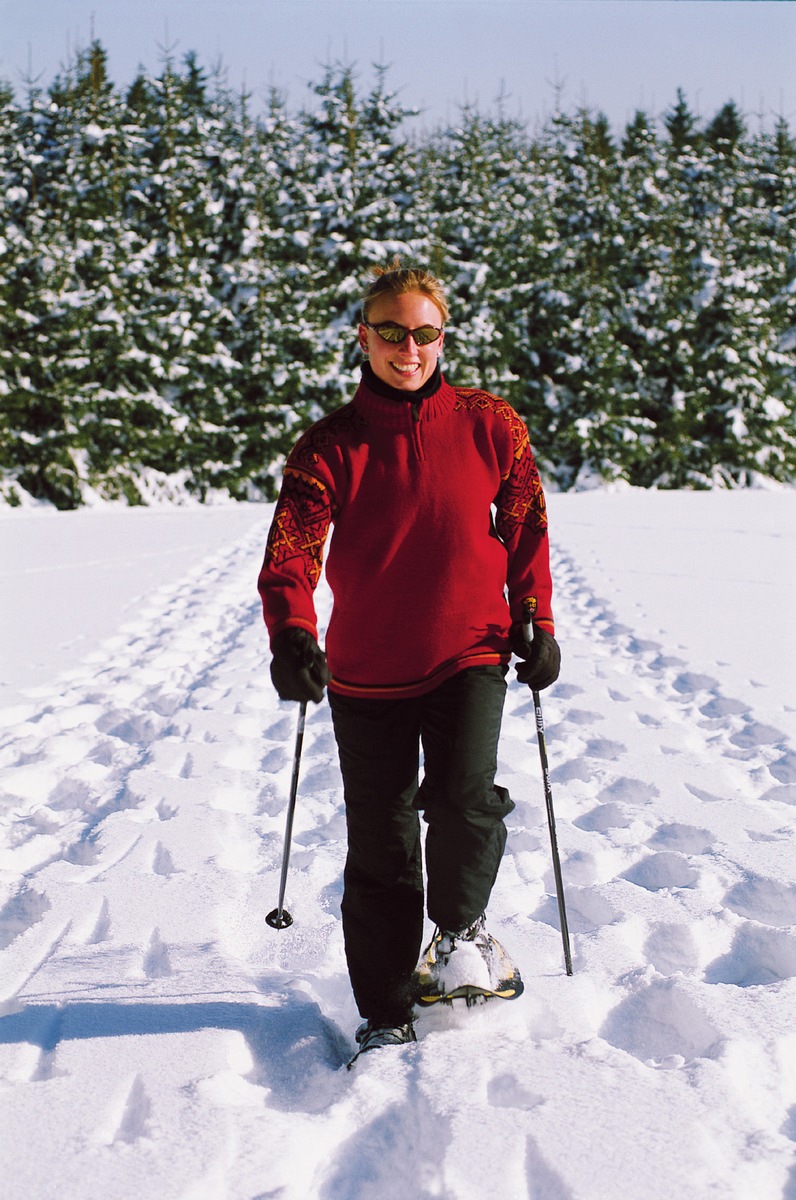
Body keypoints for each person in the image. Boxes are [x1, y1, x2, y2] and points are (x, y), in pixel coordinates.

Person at [257, 259, 559, 1060]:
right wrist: (292, 631)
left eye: (425, 332)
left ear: (443, 335)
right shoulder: (328, 446)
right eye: (391, 332)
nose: (410, 348)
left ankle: (461, 936)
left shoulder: (492, 422)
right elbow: (292, 553)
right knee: (383, 845)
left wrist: (538, 616)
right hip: (365, 671)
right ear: (365, 337)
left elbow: (526, 522)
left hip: (472, 650)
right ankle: (385, 1011)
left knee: (464, 801)